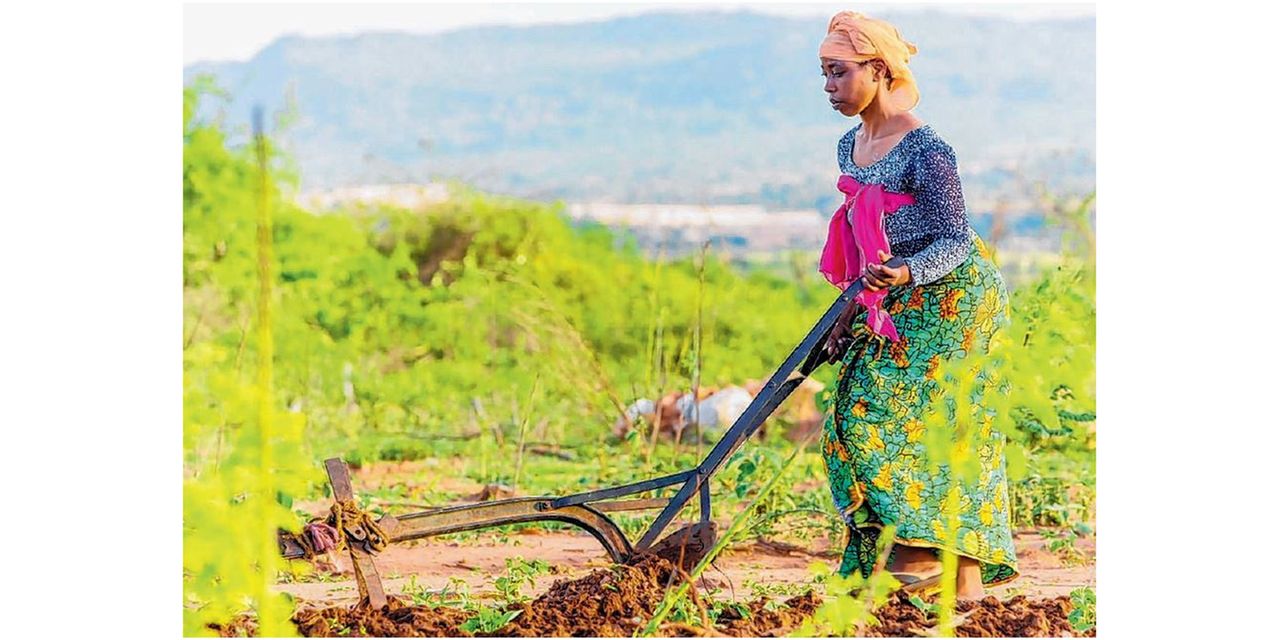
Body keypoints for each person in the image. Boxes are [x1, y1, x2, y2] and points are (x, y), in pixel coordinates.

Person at [815, 11, 1018, 600]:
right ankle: (939, 567)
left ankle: (922, 554)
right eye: (825, 75)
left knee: (912, 418)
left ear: (878, 70)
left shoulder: (927, 147)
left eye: (838, 73)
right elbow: (865, 239)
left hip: (955, 297)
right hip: (896, 291)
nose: (829, 87)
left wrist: (907, 270)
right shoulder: (849, 145)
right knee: (852, 410)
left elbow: (954, 237)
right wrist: (850, 310)